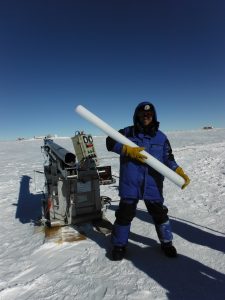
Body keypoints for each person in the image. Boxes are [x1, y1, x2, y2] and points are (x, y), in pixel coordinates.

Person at [106, 101, 190, 260]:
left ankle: (167, 243)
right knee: (124, 215)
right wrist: (124, 149)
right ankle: (119, 245)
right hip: (130, 183)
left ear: (153, 116)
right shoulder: (127, 132)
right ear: (137, 115)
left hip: (152, 184)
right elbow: (109, 142)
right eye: (143, 114)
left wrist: (178, 171)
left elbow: (168, 157)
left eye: (149, 114)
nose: (146, 117)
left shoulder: (161, 137)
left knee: (160, 214)